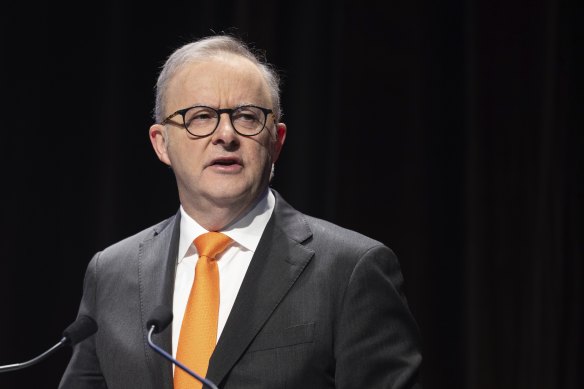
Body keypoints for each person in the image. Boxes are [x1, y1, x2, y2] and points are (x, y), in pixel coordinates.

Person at [59, 34, 423, 389]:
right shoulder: (112, 272)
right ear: (161, 143)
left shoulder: (350, 269)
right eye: (200, 117)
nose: (226, 135)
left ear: (276, 141)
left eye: (247, 117)